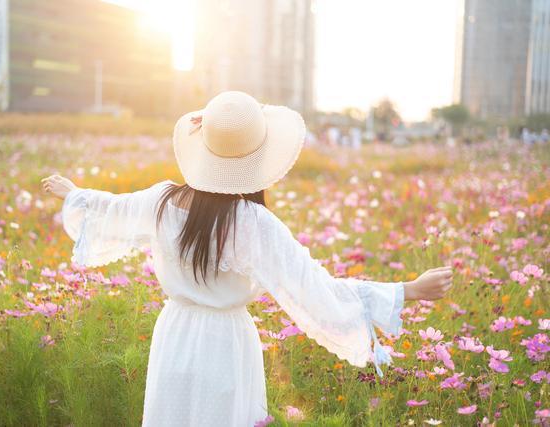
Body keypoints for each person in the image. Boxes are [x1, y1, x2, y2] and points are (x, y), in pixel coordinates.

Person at [42, 91, 453, 426]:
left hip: (175, 335)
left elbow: (113, 209)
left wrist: (75, 194)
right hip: (224, 345)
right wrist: (407, 291)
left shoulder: (163, 199)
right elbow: (314, 289)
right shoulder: (252, 222)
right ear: (258, 160)